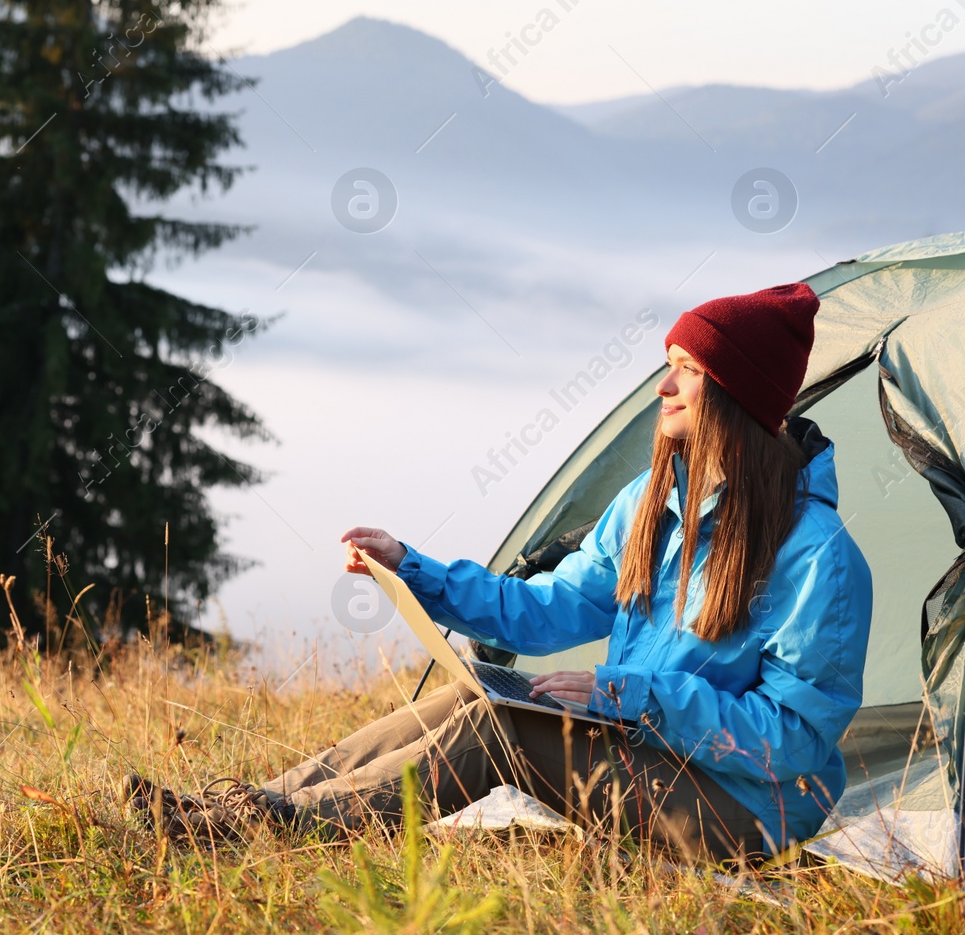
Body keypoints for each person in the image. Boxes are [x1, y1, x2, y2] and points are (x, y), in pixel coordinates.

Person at [122, 282, 872, 863]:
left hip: (740, 812)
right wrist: (412, 570)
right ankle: (242, 808)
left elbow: (795, 743)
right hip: (648, 755)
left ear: (734, 395)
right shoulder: (655, 506)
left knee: (499, 726)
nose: (662, 388)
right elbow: (544, 610)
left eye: (685, 370)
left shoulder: (818, 557)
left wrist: (629, 695)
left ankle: (266, 831)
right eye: (666, 367)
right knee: (470, 689)